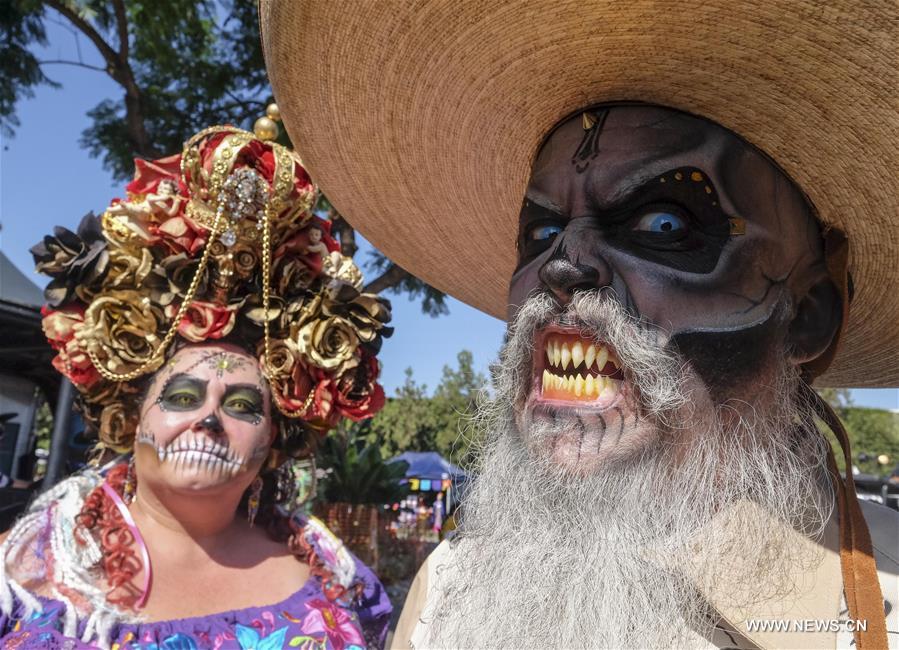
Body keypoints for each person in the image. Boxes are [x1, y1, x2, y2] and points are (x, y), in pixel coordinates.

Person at [261, 2, 898, 649]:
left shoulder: (887, 585)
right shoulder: (449, 592)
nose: (562, 264)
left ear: (807, 316)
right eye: (539, 232)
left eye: (664, 225)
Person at [0, 118, 394, 648]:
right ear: (135, 413)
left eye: (241, 405)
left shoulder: (338, 584)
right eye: (183, 396)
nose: (209, 418)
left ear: (274, 436)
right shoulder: (24, 571)